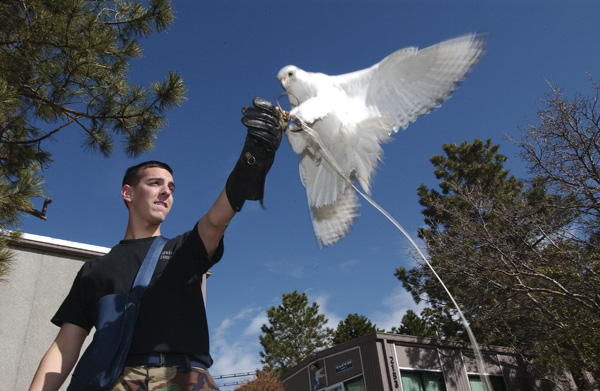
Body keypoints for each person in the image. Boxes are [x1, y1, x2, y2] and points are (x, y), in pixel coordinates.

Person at [28, 97, 283, 391]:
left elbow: (216, 220)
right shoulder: (94, 271)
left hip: (186, 378)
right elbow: (64, 348)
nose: (166, 192)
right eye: (155, 183)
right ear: (128, 193)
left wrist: (252, 157)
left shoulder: (185, 250)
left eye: (171, 188)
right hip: (117, 380)